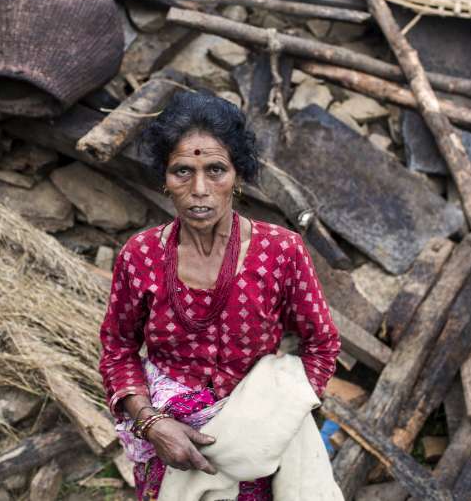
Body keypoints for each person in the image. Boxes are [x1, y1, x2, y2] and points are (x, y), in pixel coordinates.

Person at [98, 92, 341, 501]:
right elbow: (118, 349)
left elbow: (322, 343)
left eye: (215, 170)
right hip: (171, 445)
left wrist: (282, 412)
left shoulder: (281, 251)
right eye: (182, 171)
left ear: (238, 176)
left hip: (261, 443)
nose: (199, 189)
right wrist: (151, 423)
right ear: (164, 178)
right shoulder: (139, 256)